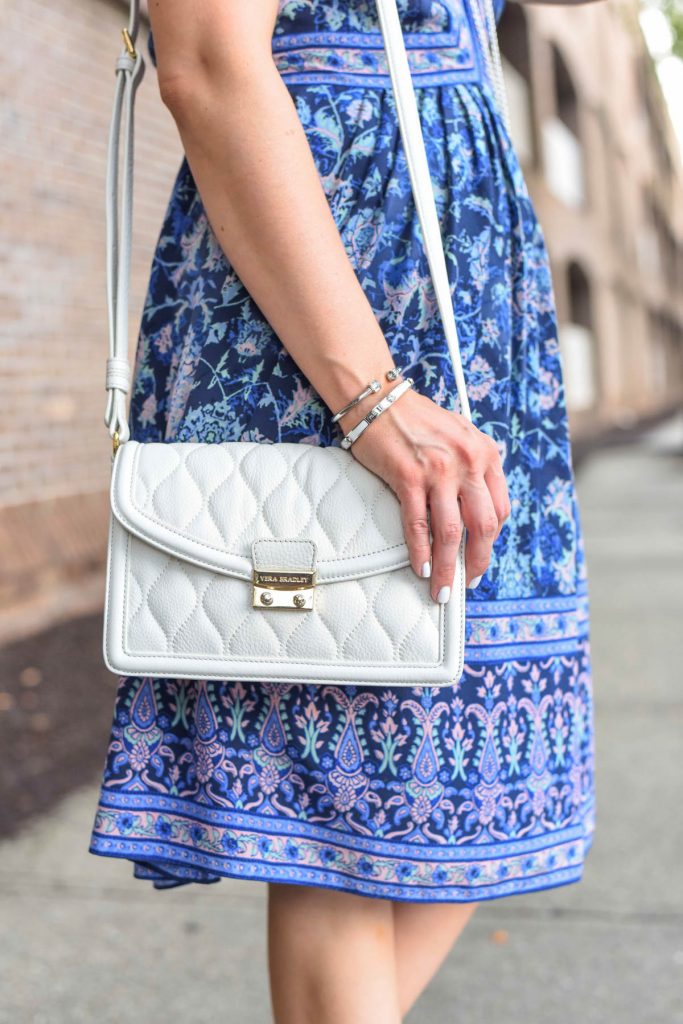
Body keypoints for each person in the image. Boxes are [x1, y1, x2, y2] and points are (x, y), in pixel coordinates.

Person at [89, 1, 596, 1020]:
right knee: (344, 809)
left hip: (471, 333)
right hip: (338, 316)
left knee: (481, 779)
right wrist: (369, 394)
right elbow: (205, 60)